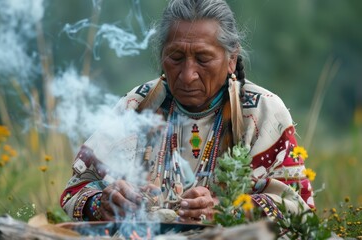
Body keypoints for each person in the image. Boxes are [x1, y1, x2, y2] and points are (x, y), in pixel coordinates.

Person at [60, 0, 315, 222]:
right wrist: (104, 203)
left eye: (203, 59)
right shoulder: (136, 107)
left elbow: (300, 209)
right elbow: (76, 190)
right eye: (176, 57)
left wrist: (227, 210)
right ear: (161, 56)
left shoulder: (262, 113)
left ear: (231, 60)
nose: (187, 75)